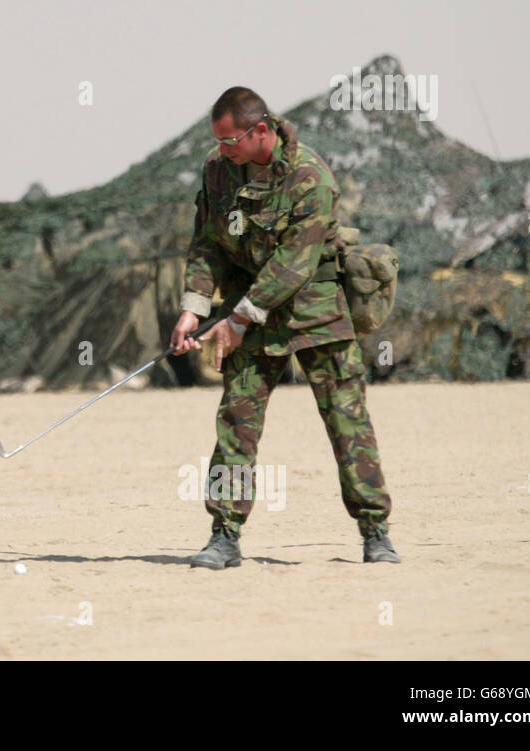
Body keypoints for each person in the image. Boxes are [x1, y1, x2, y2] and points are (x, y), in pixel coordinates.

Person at [170, 86, 398, 569]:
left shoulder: (309, 177)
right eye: (219, 141)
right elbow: (207, 243)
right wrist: (193, 307)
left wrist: (235, 319)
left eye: (230, 140)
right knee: (236, 421)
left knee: (347, 421)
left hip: (315, 313)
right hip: (248, 316)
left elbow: (295, 263)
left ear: (260, 131)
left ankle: (376, 532)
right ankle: (224, 535)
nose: (223, 149)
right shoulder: (218, 170)